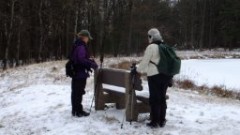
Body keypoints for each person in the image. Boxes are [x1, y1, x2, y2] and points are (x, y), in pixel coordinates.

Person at [137, 28, 172, 128]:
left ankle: (155, 121)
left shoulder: (151, 47)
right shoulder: (164, 46)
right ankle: (162, 120)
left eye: (148, 36)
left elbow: (144, 62)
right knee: (162, 98)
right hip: (165, 76)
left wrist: (138, 70)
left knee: (154, 99)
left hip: (154, 76)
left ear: (151, 37)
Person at [71, 30, 98, 117]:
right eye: (88, 38)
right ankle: (78, 111)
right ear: (84, 37)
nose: (88, 40)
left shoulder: (76, 44)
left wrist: (89, 59)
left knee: (75, 91)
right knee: (78, 91)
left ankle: (75, 110)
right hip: (80, 72)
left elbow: (79, 58)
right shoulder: (81, 46)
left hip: (75, 71)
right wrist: (92, 64)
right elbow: (81, 59)